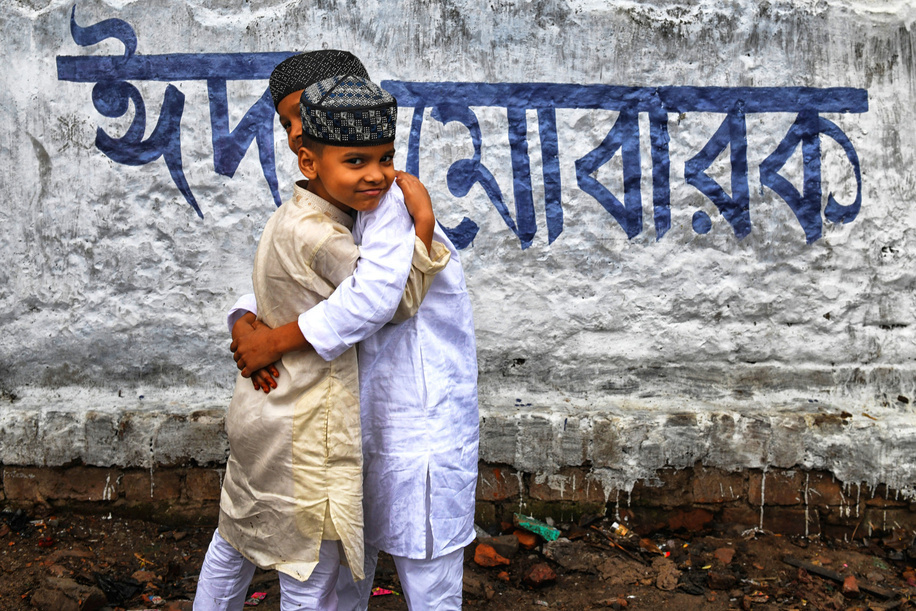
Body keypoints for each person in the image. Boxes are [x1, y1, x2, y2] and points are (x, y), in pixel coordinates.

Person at [194, 66, 450, 610]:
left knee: (234, 540)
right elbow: (389, 299)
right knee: (309, 570)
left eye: (383, 159)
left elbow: (279, 287)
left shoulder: (296, 215)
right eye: (288, 122)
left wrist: (259, 330)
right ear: (308, 158)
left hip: (263, 409)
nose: (376, 175)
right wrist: (422, 225)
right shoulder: (333, 231)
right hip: (308, 422)